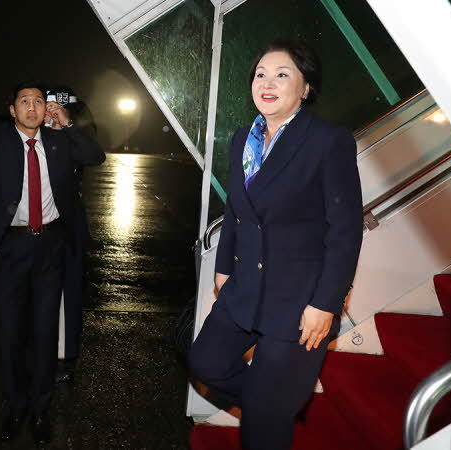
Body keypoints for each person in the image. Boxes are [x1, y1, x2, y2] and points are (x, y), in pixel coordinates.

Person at [187, 39, 363, 450]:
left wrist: (327, 304)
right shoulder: (241, 139)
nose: (268, 83)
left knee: (262, 428)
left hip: (302, 302)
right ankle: (274, 407)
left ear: (305, 88)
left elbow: (345, 230)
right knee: (205, 362)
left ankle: (272, 412)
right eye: (261, 74)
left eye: (283, 75)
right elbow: (235, 207)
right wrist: (223, 266)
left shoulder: (327, 140)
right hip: (244, 289)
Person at [0, 54, 105, 445]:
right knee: (10, 331)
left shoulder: (58, 140)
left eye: (39, 101)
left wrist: (66, 122)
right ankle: (15, 404)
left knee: (44, 329)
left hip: (52, 244)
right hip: (12, 247)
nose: (33, 107)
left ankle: (40, 408)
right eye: (24, 101)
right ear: (12, 108)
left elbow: (94, 156)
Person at [44, 85, 97, 384]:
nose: (50, 112)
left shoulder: (73, 136)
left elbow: (94, 155)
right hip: (33, 231)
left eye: (56, 107)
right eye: (45, 106)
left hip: (67, 230)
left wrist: (66, 122)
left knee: (67, 296)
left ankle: (64, 357)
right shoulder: (28, 134)